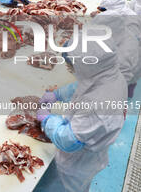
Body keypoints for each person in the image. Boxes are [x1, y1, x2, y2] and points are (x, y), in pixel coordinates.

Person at [37, 33, 126, 192]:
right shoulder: (110, 75)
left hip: (77, 164)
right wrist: (58, 94)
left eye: (72, 65)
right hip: (91, 148)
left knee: (67, 188)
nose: (69, 68)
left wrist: (48, 120)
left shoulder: (98, 105)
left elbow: (69, 140)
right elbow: (82, 86)